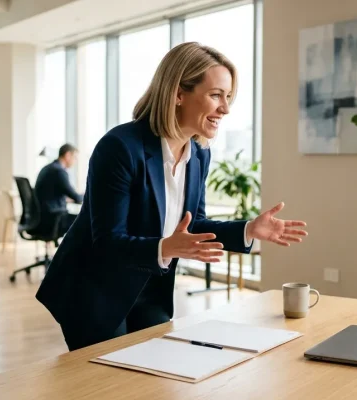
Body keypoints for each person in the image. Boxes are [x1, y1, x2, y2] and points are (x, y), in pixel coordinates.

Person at [36, 42, 308, 351]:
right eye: (216, 95)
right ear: (179, 93)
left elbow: (193, 224)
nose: (226, 108)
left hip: (150, 286)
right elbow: (107, 241)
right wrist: (165, 246)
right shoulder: (120, 147)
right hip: (95, 289)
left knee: (152, 386)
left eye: (228, 97)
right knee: (109, 391)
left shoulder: (199, 154)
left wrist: (247, 230)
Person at [34, 143, 83, 234]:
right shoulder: (59, 172)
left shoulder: (48, 168)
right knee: (85, 221)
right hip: (52, 219)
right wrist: (88, 195)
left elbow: (50, 194)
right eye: (75, 157)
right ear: (68, 155)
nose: (75, 161)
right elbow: (76, 197)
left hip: (41, 217)